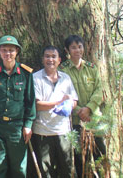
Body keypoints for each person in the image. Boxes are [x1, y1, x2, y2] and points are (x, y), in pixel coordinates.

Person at [0, 35, 36, 178]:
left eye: (11, 50)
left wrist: (28, 124)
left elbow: (30, 101)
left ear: (17, 51)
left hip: (17, 127)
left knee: (19, 167)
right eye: (4, 50)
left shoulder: (25, 74)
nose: (8, 54)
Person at [60, 35, 106, 178]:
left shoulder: (91, 68)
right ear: (67, 50)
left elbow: (99, 90)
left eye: (79, 46)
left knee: (100, 154)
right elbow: (62, 93)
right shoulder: (63, 70)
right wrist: (79, 110)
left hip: (94, 120)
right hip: (75, 121)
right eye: (73, 47)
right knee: (80, 159)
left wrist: (89, 109)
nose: (77, 50)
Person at [32, 45, 78, 177]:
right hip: (42, 131)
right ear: (42, 59)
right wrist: (59, 102)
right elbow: (37, 105)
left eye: (53, 57)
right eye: (47, 56)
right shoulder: (35, 78)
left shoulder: (65, 78)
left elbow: (74, 100)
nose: (50, 59)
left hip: (63, 131)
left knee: (67, 169)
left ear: (59, 60)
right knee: (45, 170)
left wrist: (68, 105)